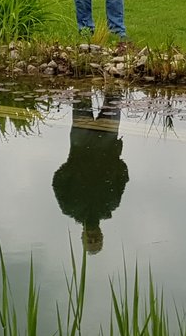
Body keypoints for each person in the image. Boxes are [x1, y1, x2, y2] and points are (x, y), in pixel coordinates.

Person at [51, 95, 129, 255]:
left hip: (81, 141)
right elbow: (123, 176)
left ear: (82, 237)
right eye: (96, 239)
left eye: (90, 240)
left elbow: (57, 181)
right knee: (114, 95)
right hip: (107, 138)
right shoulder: (110, 205)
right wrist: (115, 161)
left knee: (82, 97)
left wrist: (73, 166)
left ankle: (84, 72)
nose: (92, 237)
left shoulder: (69, 207)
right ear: (101, 235)